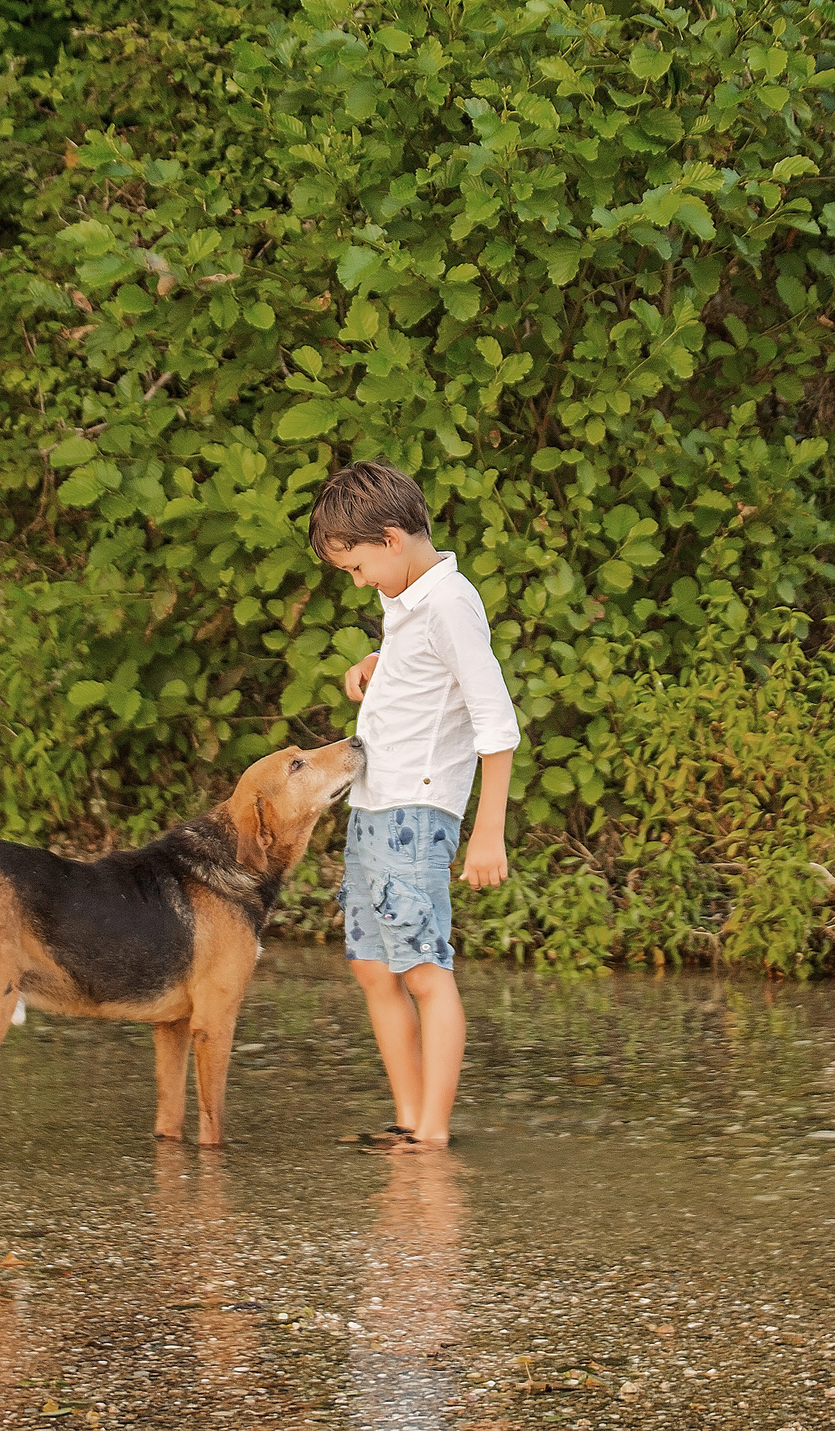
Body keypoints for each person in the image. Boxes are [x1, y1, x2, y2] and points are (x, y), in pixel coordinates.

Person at [308, 459, 520, 1151]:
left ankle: (432, 1132)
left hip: (415, 814)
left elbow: (495, 719)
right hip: (373, 806)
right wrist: (377, 663)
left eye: (357, 566)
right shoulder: (407, 603)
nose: (358, 581)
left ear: (392, 539)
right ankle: (407, 1117)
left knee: (424, 971)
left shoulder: (451, 601)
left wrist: (488, 830)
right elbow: (427, 671)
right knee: (373, 965)